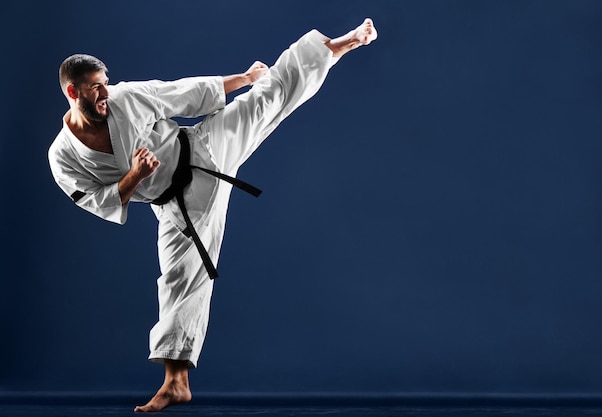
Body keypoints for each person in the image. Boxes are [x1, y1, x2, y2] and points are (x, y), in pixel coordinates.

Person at [48, 18, 377, 412]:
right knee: (180, 281)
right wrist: (136, 175)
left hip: (204, 151)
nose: (105, 92)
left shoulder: (126, 98)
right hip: (176, 205)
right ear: (73, 91)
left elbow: (183, 93)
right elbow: (98, 200)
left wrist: (245, 77)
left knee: (266, 99)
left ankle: (344, 42)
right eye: (95, 87)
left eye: (105, 82)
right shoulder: (62, 157)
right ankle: (176, 384)